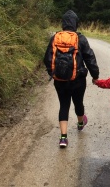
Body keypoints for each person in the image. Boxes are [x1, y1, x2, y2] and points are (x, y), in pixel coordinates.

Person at [43, 10, 100, 148]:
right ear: (76, 23)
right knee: (78, 102)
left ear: (63, 23)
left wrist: (54, 72)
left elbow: (47, 58)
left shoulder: (55, 37)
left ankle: (63, 138)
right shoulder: (80, 39)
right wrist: (95, 75)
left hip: (59, 80)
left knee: (64, 105)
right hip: (78, 79)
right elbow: (90, 58)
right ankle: (80, 123)